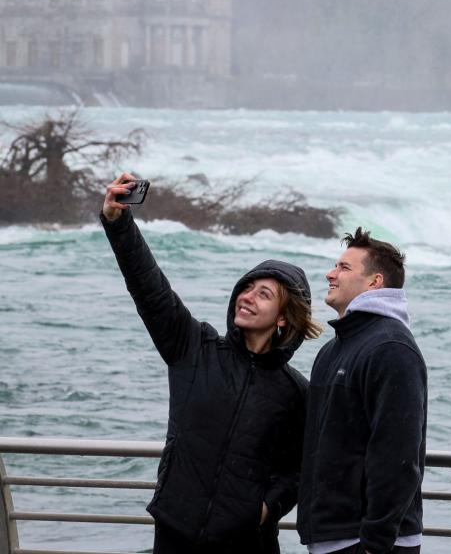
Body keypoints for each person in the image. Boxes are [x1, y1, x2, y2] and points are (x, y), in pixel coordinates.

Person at [101, 173, 321, 553]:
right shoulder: (195, 348)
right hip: (175, 533)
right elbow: (149, 287)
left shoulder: (295, 391)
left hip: (247, 542)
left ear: (284, 317)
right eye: (246, 288)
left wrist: (267, 508)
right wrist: (119, 223)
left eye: (263, 294)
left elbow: (300, 469)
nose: (248, 297)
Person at [298, 228, 427, 554]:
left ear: (375, 282)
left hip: (370, 542)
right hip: (332, 536)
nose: (330, 273)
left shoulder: (391, 347)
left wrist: (375, 543)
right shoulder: (335, 348)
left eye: (343, 267)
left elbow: (398, 455)